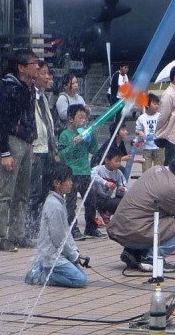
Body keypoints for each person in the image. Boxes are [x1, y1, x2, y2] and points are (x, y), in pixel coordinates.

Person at [107, 149, 175, 273]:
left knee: (159, 216)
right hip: (133, 233)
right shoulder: (172, 188)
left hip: (120, 229)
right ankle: (152, 259)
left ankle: (134, 252)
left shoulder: (155, 169)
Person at [0, 49, 39, 252]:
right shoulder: (9, 89)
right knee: (5, 191)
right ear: (21, 68)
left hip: (26, 142)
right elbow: (1, 123)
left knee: (23, 192)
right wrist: (5, 152)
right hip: (12, 142)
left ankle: (18, 234)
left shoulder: (29, 88)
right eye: (33, 63)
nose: (37, 66)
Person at [24, 163, 88, 288]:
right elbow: (58, 237)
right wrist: (73, 256)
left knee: (79, 273)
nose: (71, 183)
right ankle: (38, 275)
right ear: (57, 183)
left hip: (59, 254)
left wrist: (74, 252)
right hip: (52, 256)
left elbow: (66, 231)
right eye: (68, 180)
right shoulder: (54, 205)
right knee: (80, 279)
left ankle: (42, 267)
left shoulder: (59, 201)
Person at [58, 103, 105, 240]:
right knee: (71, 203)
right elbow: (62, 155)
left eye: (85, 118)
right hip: (71, 173)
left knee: (91, 200)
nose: (83, 120)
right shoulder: (65, 135)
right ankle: (72, 228)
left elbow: (94, 150)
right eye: (80, 117)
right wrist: (74, 143)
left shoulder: (85, 133)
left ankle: (91, 227)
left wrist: (92, 137)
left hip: (85, 171)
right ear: (71, 119)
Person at [27, 60, 59, 241]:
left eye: (49, 73)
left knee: (45, 191)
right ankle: (29, 228)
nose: (49, 77)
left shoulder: (43, 97)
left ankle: (39, 227)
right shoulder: (30, 95)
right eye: (45, 73)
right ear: (35, 75)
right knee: (34, 192)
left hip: (47, 149)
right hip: (36, 149)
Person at [91, 146, 127, 223]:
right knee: (91, 195)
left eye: (120, 161)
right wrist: (105, 182)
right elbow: (91, 175)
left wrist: (122, 189)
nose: (118, 164)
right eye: (116, 161)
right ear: (107, 160)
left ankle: (107, 213)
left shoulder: (118, 173)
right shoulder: (99, 169)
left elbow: (123, 185)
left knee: (123, 202)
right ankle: (94, 217)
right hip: (95, 198)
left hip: (106, 199)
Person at [135, 92, 164, 172]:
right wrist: (140, 133)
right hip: (147, 147)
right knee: (146, 169)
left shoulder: (160, 116)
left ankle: (158, 184)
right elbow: (137, 130)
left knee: (159, 170)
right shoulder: (142, 118)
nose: (157, 106)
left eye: (158, 104)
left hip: (159, 147)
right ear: (147, 105)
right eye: (154, 104)